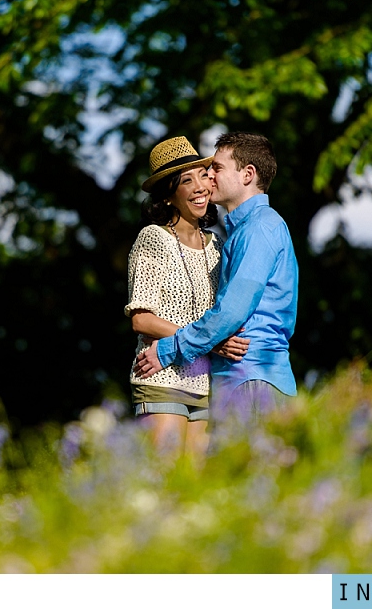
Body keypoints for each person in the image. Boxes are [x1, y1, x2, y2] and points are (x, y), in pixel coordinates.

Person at [134, 132, 298, 431]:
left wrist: (169, 348)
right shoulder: (241, 232)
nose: (209, 177)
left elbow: (231, 312)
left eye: (217, 168)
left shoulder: (258, 230)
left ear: (248, 174)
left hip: (250, 379)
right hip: (241, 381)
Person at [126, 136, 250, 457]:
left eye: (202, 176)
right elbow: (141, 319)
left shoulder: (217, 245)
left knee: (195, 493)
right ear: (169, 195)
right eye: (186, 180)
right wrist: (209, 341)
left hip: (205, 386)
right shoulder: (153, 238)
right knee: (164, 488)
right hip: (160, 379)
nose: (200, 187)